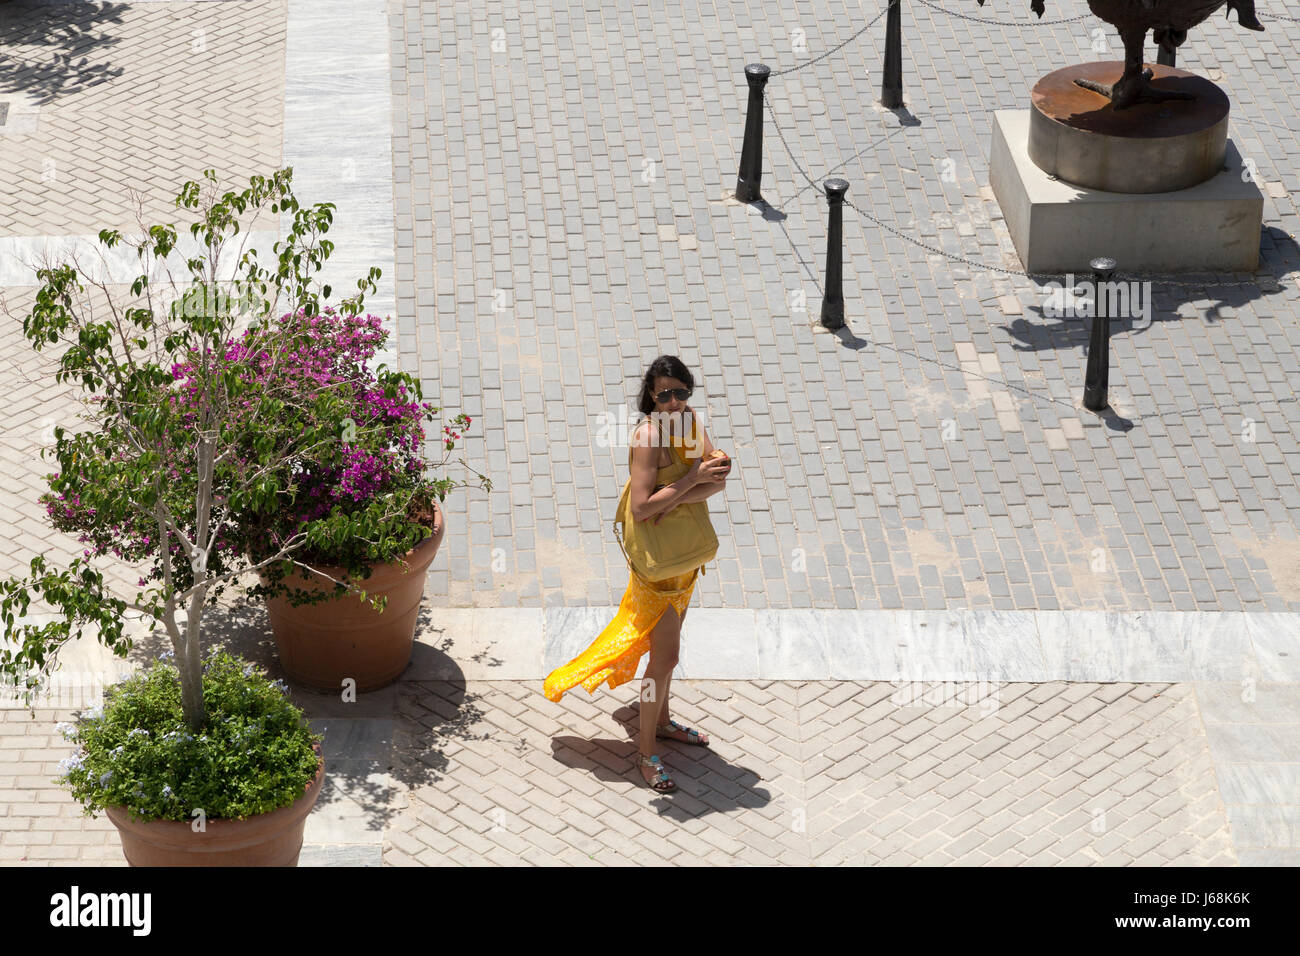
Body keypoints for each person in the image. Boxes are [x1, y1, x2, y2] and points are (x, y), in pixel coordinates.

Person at [542, 356, 730, 792]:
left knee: (662, 658)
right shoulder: (648, 437)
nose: (673, 402)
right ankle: (646, 752)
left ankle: (661, 722)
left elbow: (718, 482)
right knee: (665, 659)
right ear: (650, 395)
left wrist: (679, 495)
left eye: (681, 393)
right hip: (656, 571)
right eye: (663, 394)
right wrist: (689, 482)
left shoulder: (690, 423)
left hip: (683, 563)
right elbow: (643, 507)